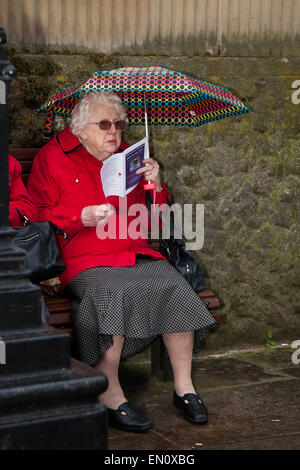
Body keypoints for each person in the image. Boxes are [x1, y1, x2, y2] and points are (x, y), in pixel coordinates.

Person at [27, 92, 216, 432]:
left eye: (118, 124)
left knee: (172, 284)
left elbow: (157, 218)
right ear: (80, 129)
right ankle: (111, 394)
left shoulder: (130, 156)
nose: (113, 132)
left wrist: (155, 186)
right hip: (84, 260)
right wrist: (78, 217)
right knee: (111, 293)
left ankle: (184, 387)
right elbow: (37, 218)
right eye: (104, 125)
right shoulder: (52, 158)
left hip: (135, 251)